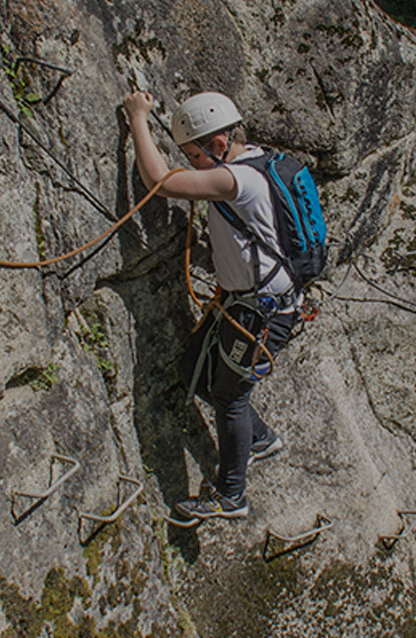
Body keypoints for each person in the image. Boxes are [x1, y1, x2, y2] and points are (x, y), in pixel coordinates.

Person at [121, 90, 295, 520]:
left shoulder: (235, 179)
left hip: (261, 312)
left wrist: (138, 119)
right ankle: (258, 439)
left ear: (219, 145)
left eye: (194, 155)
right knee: (194, 372)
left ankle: (232, 494)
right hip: (244, 304)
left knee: (229, 397)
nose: (192, 164)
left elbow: (160, 182)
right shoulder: (261, 160)